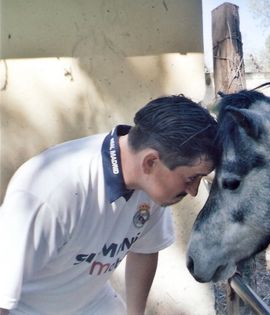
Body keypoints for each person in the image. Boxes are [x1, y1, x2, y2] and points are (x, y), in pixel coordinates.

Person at [0, 95, 219, 315]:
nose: (193, 191)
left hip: (92, 303)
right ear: (150, 162)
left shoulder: (151, 185)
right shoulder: (50, 191)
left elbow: (145, 250)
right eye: (191, 178)